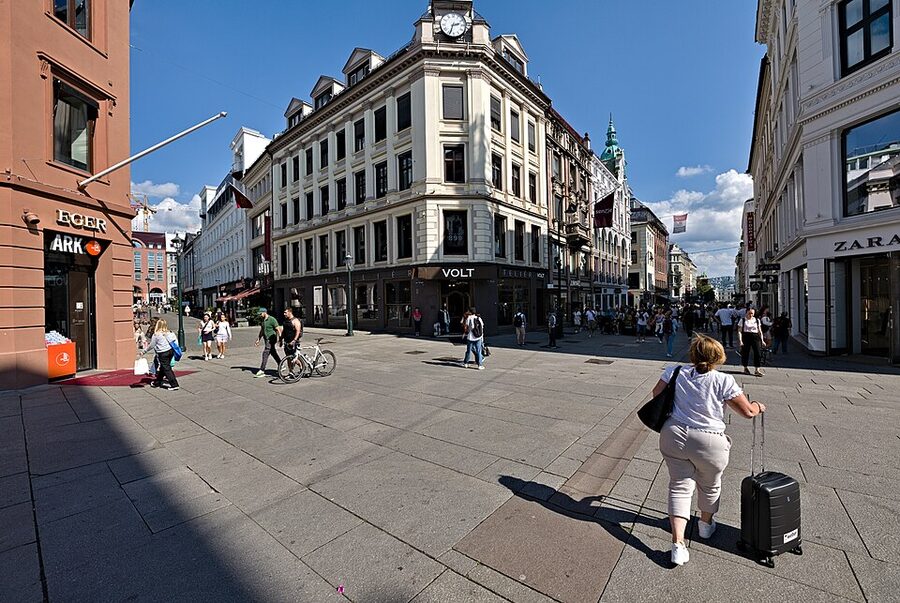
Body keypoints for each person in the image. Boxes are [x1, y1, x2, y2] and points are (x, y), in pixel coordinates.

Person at [651, 334, 765, 566]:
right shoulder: (723, 380)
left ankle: (678, 544)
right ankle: (705, 525)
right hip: (709, 441)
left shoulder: (674, 371)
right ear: (718, 357)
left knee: (679, 486)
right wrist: (759, 406)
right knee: (710, 484)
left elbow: (656, 395)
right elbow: (747, 412)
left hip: (673, 435)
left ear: (694, 355)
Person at [141, 319, 180, 390]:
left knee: (167, 369)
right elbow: (175, 342)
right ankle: (157, 382)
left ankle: (174, 384)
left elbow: (151, 345)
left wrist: (144, 351)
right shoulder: (170, 332)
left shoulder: (156, 335)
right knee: (163, 368)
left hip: (163, 353)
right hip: (170, 351)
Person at [254, 308, 282, 378]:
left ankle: (262, 370)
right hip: (266, 339)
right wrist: (258, 339)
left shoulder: (272, 319)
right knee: (273, 352)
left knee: (266, 352)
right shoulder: (262, 320)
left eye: (260, 314)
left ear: (264, 312)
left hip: (271, 338)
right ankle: (281, 364)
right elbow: (262, 330)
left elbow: (278, 329)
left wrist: (281, 339)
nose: (260, 315)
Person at [737, 307, 764, 376]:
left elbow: (760, 331)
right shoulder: (742, 320)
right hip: (746, 336)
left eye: (752, 313)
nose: (751, 315)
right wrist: (740, 341)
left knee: (758, 353)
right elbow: (739, 331)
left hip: (755, 337)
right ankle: (745, 367)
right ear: (746, 313)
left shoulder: (757, 320)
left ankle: (757, 369)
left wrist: (762, 340)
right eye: (749, 313)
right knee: (745, 353)